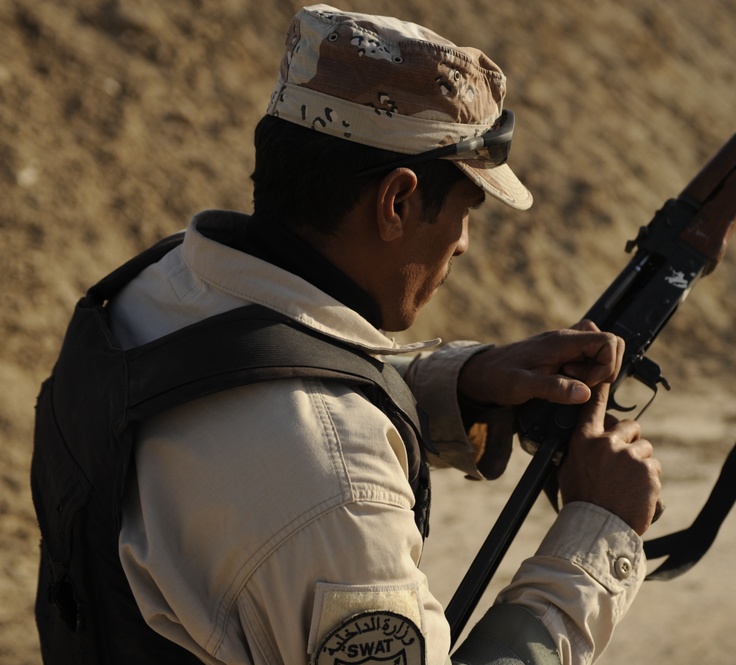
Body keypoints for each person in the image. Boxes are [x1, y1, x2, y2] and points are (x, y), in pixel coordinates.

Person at [33, 5, 662, 665]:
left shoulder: (155, 288)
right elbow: (303, 443)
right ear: (396, 201)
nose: (464, 245)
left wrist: (457, 383)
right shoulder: (339, 491)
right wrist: (596, 535)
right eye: (465, 210)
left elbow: (252, 386)